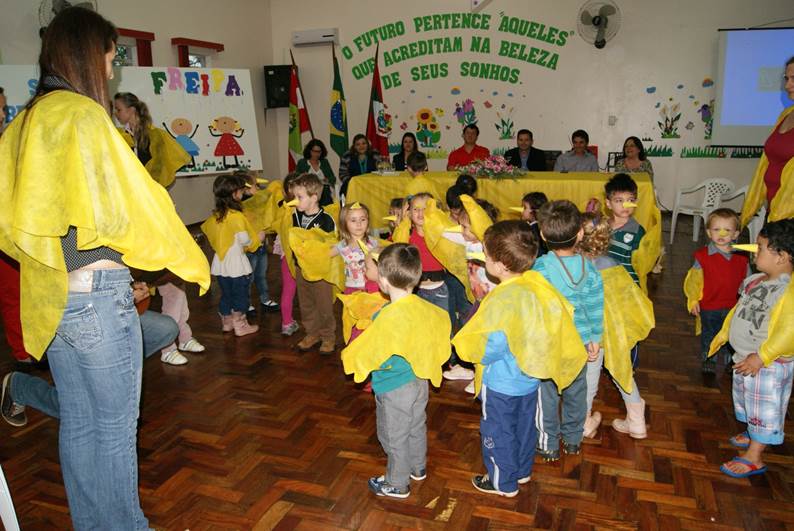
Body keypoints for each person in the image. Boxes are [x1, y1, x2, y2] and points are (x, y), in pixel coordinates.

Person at [0, 7, 210, 529]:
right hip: (97, 295)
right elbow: (131, 205)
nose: (114, 66)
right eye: (111, 55)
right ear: (88, 53)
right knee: (115, 430)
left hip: (56, 298)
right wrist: (183, 256)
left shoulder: (26, 119)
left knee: (80, 425)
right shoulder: (82, 116)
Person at [453, 220, 587, 496]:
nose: (485, 259)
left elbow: (495, 344)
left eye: (487, 256)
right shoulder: (534, 285)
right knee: (524, 428)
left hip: (502, 381)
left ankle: (502, 481)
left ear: (500, 265)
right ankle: (522, 471)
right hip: (529, 378)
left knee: (497, 430)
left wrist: (474, 351)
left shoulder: (504, 299)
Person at [340, 243, 452, 498]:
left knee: (394, 435)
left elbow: (371, 352)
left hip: (393, 387)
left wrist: (352, 359)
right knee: (416, 424)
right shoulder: (427, 309)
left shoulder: (386, 316)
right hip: (419, 381)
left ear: (383, 281)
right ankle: (417, 466)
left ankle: (397, 483)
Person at [709, 220, 794, 479]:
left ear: (781, 257)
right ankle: (752, 432)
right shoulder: (756, 280)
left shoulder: (788, 292)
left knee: (764, 409)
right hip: (747, 358)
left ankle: (755, 456)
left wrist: (763, 356)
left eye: (760, 247)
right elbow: (739, 311)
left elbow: (789, 332)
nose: (754, 251)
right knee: (748, 402)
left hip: (768, 365)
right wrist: (725, 334)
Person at [2, 306, 180, 427]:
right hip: (73, 313)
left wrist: (132, 290)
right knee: (89, 408)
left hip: (113, 309)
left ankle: (106, 386)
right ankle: (22, 387)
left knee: (165, 328)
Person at [533, 200, 604, 461]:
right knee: (576, 393)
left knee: (547, 394)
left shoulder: (539, 269)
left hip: (550, 344)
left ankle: (549, 443)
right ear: (581, 233)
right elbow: (596, 306)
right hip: (579, 343)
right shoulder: (591, 269)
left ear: (542, 234)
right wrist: (595, 338)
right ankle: (573, 440)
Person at [577, 213, 652, 439]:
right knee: (622, 371)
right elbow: (630, 299)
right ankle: (637, 423)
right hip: (614, 330)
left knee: (589, 376)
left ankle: (584, 422)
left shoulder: (574, 267)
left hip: (589, 334)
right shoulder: (614, 265)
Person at [683, 209, 749, 373]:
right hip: (709, 306)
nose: (721, 234)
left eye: (727, 230)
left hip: (734, 306)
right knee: (709, 334)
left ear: (735, 235)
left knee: (731, 337)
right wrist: (693, 300)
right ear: (708, 232)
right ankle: (708, 359)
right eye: (716, 229)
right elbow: (693, 281)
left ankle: (729, 361)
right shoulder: (702, 256)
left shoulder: (742, 257)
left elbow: (749, 282)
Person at [201, 173, 260, 337]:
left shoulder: (215, 217)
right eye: (241, 191)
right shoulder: (237, 217)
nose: (242, 194)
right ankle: (240, 324)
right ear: (235, 194)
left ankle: (227, 323)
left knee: (226, 294)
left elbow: (212, 236)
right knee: (241, 295)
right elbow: (244, 240)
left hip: (221, 264)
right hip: (237, 265)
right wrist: (257, 239)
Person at [740, 56, 794, 228]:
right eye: (786, 78)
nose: (787, 85)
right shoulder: (785, 115)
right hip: (774, 211)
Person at [291, 173, 338, 354]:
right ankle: (312, 333)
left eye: (299, 197)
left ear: (314, 197)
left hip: (320, 272)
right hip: (301, 268)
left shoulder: (326, 220)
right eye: (294, 197)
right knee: (306, 303)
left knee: (324, 304)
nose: (295, 201)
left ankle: (328, 336)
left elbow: (333, 244)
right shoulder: (295, 215)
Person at [113, 91, 190, 188]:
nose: (115, 114)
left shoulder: (155, 135)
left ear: (131, 110)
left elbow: (160, 169)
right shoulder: (120, 135)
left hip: (151, 190)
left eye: (118, 110)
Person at [239, 171, 280, 316]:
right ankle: (246, 303)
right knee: (248, 278)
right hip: (249, 248)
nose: (258, 188)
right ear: (245, 188)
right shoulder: (240, 207)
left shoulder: (258, 201)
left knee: (261, 275)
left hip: (261, 247)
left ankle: (265, 298)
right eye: (256, 185)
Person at [605, 173, 645, 285]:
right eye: (619, 201)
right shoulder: (602, 226)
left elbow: (641, 264)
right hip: (606, 283)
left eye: (630, 200)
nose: (625, 205)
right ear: (608, 203)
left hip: (628, 287)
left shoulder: (638, 232)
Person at [275, 172, 302, 336]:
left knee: (288, 289)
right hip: (301, 255)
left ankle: (286, 323)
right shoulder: (300, 212)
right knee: (306, 290)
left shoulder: (283, 209)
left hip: (287, 256)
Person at [338, 133, 381, 199]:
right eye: (358, 144)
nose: (361, 146)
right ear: (354, 146)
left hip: (372, 187)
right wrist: (353, 182)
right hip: (352, 187)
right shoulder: (347, 155)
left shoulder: (375, 153)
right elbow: (342, 174)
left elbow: (380, 171)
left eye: (364, 143)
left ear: (368, 144)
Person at [295, 138, 336, 206]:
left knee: (325, 192)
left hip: (323, 190)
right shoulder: (302, 163)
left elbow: (333, 178)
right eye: (314, 151)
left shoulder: (324, 162)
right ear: (309, 151)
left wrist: (327, 179)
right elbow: (296, 179)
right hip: (308, 191)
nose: (316, 154)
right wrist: (302, 177)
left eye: (319, 152)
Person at [521, 192, 549, 257]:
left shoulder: (533, 230)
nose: (522, 211)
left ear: (534, 211)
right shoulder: (544, 226)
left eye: (525, 208)